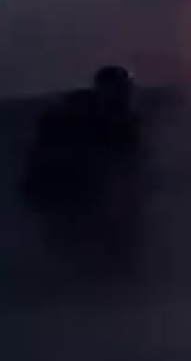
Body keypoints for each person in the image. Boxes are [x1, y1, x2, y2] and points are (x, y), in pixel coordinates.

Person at [22, 65, 146, 277]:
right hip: (65, 194)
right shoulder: (71, 118)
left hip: (84, 196)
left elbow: (131, 160)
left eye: (124, 92)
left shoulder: (125, 120)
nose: (123, 98)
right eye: (118, 92)